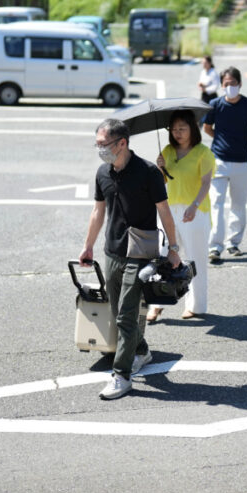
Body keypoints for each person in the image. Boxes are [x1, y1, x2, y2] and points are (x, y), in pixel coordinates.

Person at [79, 119, 182, 400]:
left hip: (140, 252)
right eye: (97, 144)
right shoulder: (103, 173)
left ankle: (121, 376)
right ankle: (141, 350)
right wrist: (88, 246)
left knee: (125, 315)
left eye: (104, 144)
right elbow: (98, 212)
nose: (100, 149)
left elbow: (165, 212)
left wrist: (173, 248)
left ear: (122, 143)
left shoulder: (149, 172)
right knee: (117, 312)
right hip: (112, 253)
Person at [149, 110, 216, 322]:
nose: (177, 133)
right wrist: (159, 168)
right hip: (169, 210)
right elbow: (163, 182)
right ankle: (156, 303)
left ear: (192, 130)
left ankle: (196, 305)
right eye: (174, 129)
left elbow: (206, 182)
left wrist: (194, 205)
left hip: (195, 211)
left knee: (195, 258)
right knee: (161, 255)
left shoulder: (204, 153)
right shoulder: (168, 151)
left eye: (182, 129)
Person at [202, 66, 247, 263]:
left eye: (233, 84)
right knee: (216, 204)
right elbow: (207, 128)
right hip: (218, 160)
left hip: (243, 161)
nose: (230, 87)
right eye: (226, 84)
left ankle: (233, 243)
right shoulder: (215, 105)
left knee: (238, 205)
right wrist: (219, 138)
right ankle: (214, 246)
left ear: (240, 84)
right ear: (221, 85)